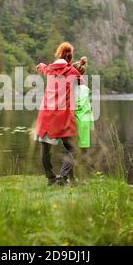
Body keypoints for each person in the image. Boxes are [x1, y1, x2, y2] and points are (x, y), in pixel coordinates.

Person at [35, 42, 82, 186]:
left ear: (58, 55)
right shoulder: (73, 72)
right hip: (63, 118)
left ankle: (51, 178)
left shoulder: (49, 69)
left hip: (46, 117)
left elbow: (42, 67)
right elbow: (82, 82)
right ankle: (62, 176)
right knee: (72, 149)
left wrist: (41, 65)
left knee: (45, 149)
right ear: (70, 57)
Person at [72, 57, 94, 150]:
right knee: (83, 151)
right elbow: (88, 109)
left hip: (72, 122)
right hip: (84, 121)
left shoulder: (69, 89)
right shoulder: (85, 89)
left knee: (71, 150)